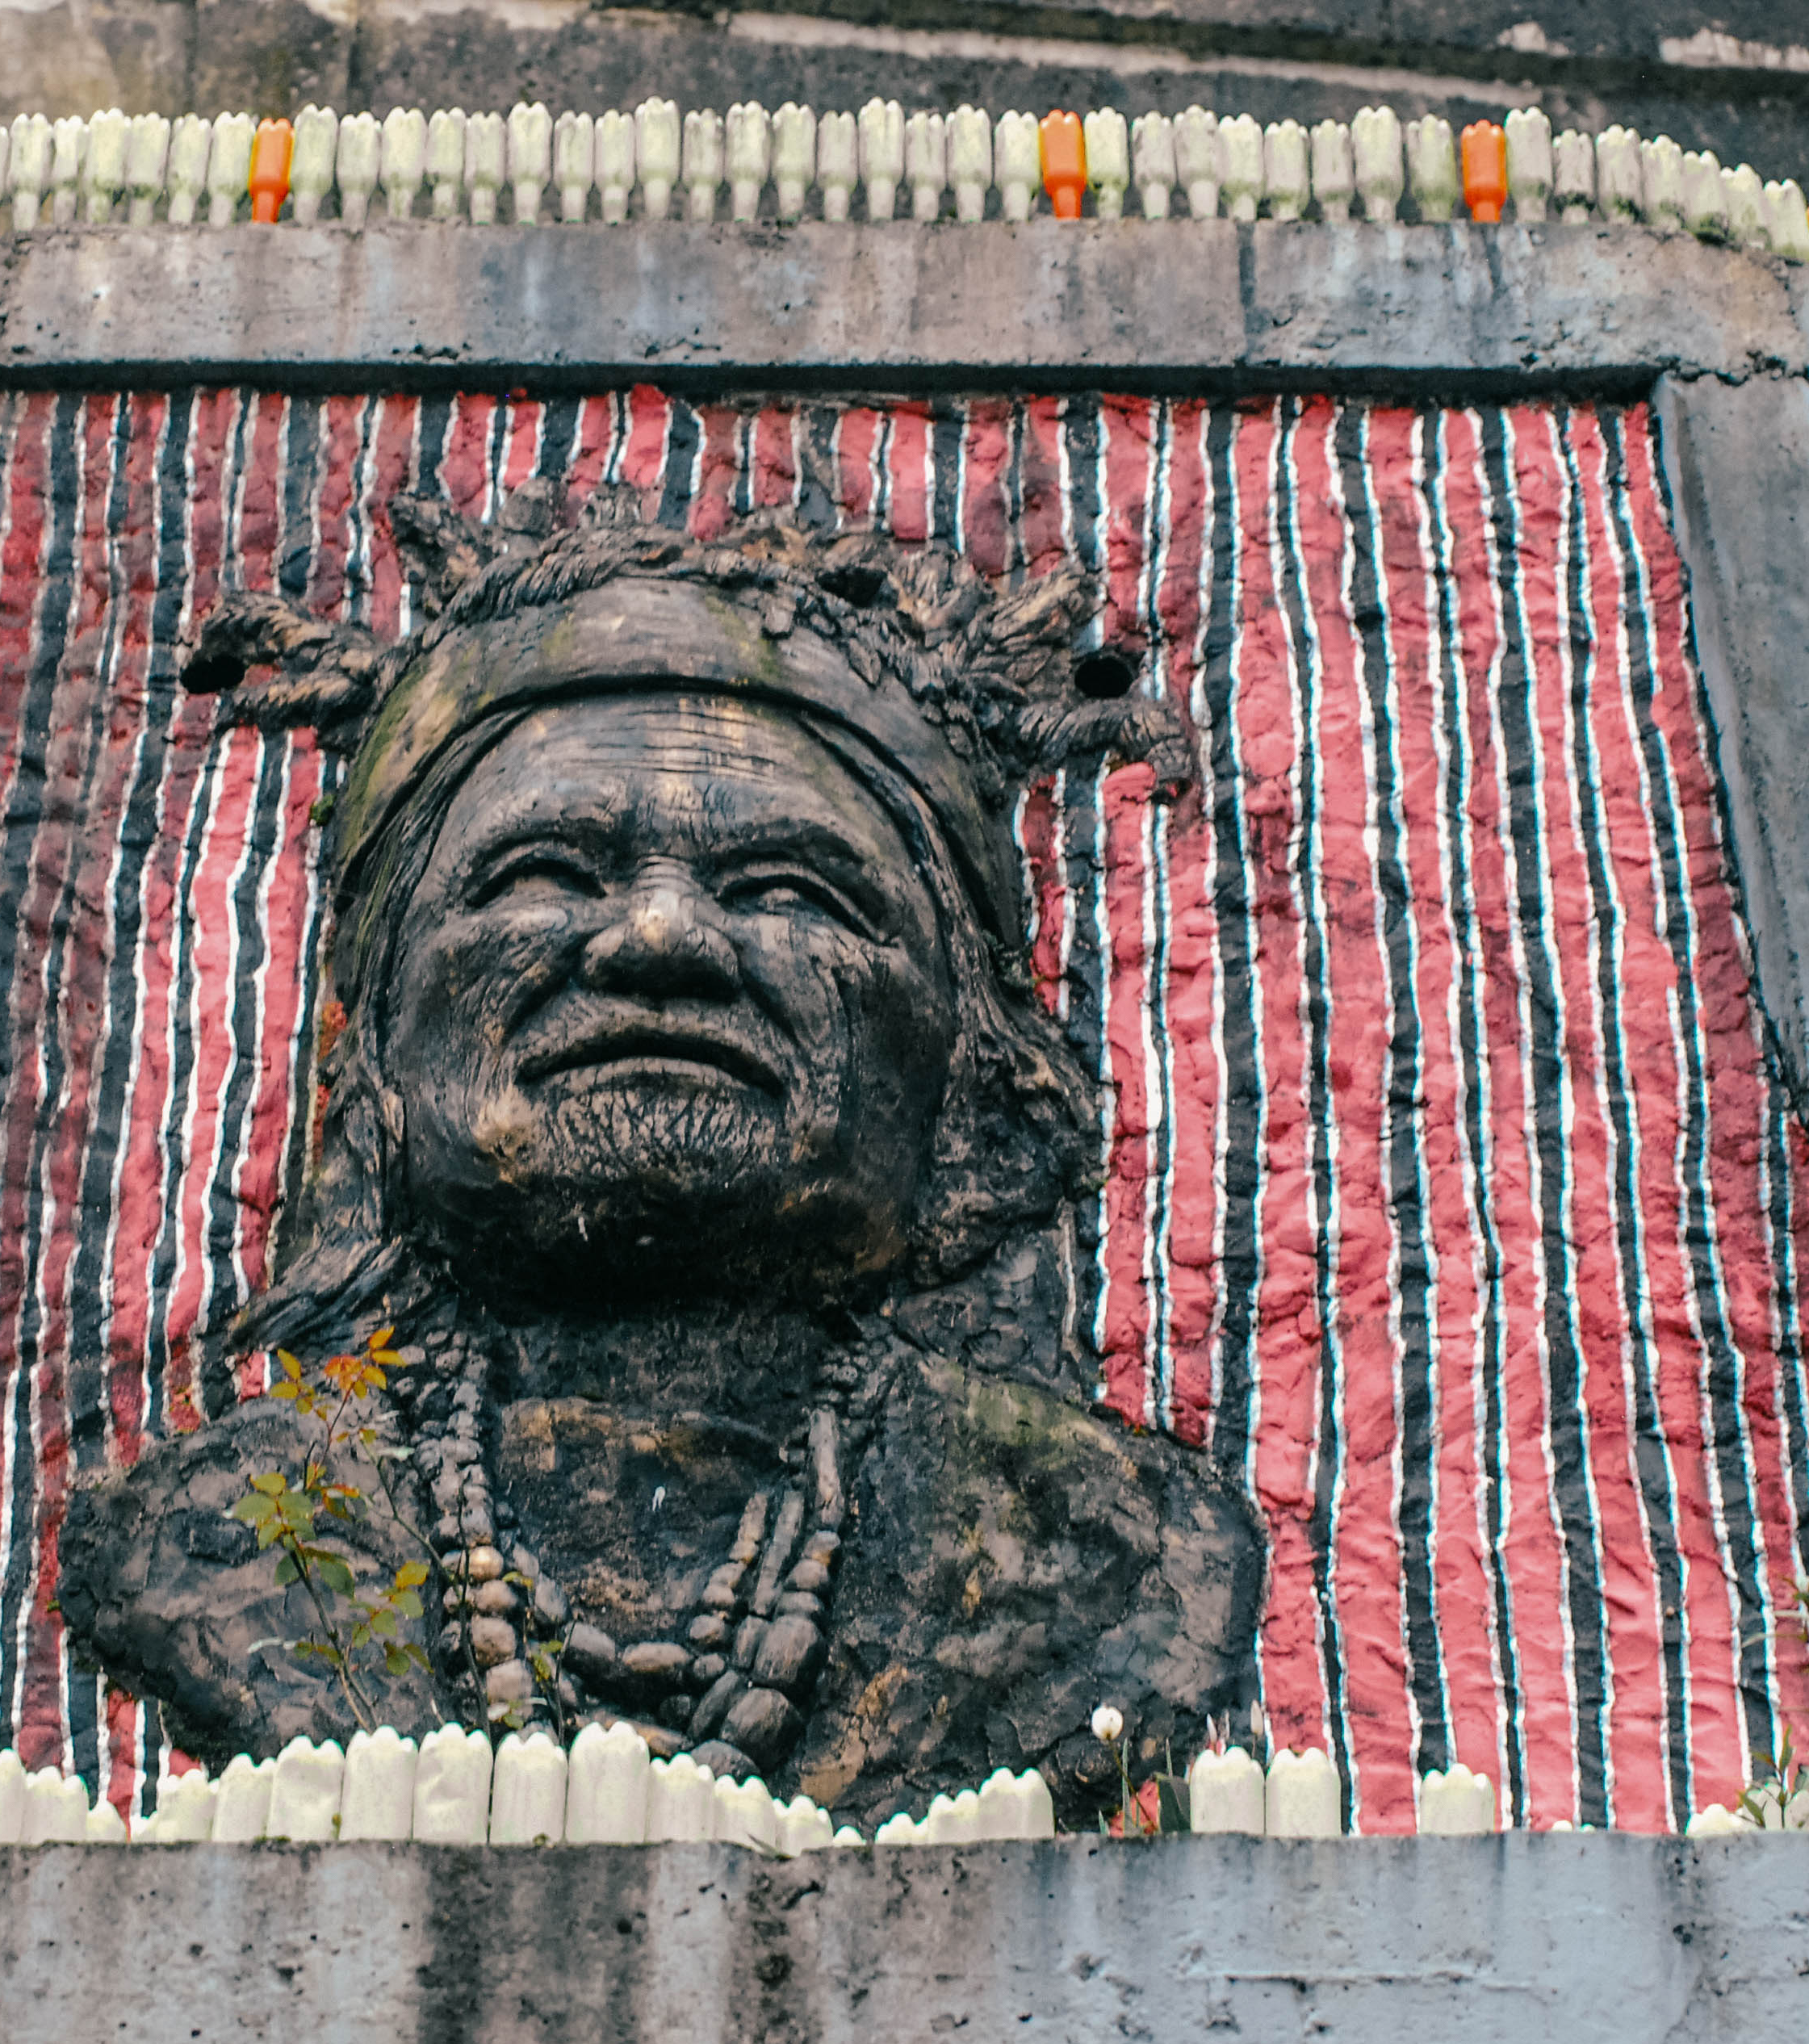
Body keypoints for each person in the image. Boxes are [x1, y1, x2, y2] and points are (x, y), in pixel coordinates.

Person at [63, 498, 1263, 1824]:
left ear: (974, 1094)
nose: (659, 939)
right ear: (375, 1061)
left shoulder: (1118, 1558)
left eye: (793, 892)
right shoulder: (210, 1541)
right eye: (541, 872)